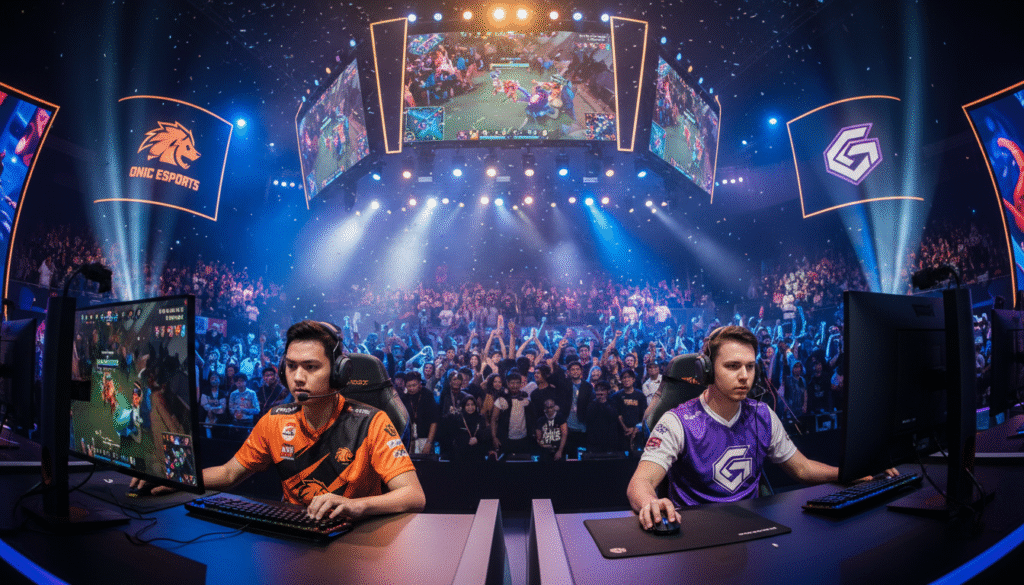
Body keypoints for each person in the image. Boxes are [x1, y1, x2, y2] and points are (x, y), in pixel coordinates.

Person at [627, 325, 895, 530]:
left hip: (753, 527)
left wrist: (851, 473)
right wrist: (650, 502)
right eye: (732, 366)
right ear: (707, 372)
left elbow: (802, 468)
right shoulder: (677, 421)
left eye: (750, 366)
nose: (744, 376)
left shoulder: (763, 415)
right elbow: (641, 481)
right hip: (697, 531)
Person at [198, 320, 425, 522]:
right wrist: (177, 480)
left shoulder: (372, 423)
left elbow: (413, 494)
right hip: (293, 536)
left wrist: (357, 505)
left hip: (353, 539)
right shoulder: (275, 421)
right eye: (291, 366)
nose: (297, 377)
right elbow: (228, 474)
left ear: (338, 373)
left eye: (311, 367)